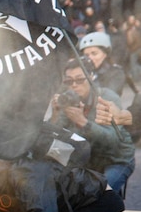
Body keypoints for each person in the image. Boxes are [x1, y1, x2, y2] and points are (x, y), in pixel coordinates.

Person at [50, 57, 135, 195]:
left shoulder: (107, 97)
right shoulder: (68, 100)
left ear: (91, 77)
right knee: (63, 192)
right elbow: (54, 138)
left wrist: (83, 122)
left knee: (100, 194)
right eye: (69, 81)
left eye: (79, 79)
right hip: (88, 160)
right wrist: (55, 115)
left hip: (115, 159)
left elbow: (112, 140)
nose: (74, 85)